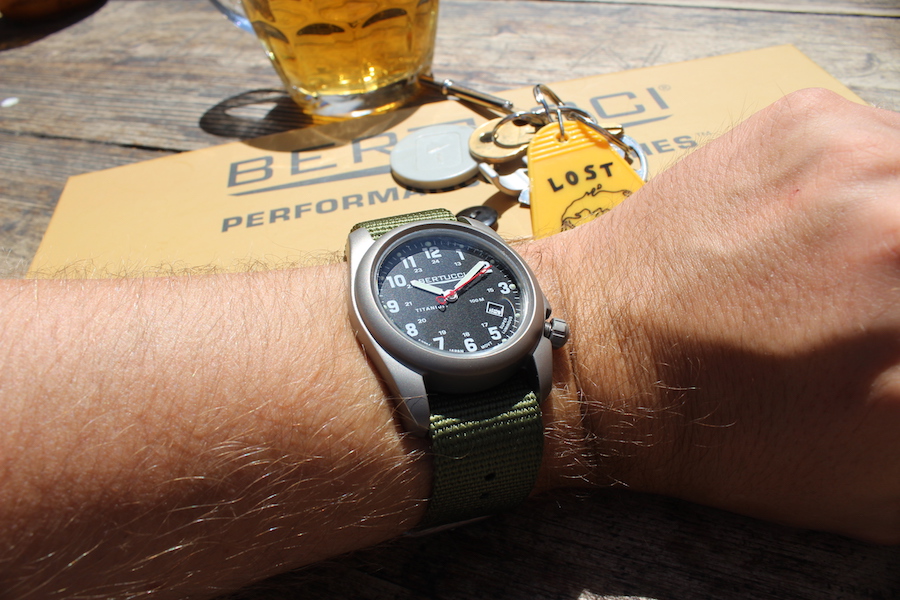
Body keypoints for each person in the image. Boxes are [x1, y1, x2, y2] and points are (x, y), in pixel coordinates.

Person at [0, 88, 897, 599]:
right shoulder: (415, 306)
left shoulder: (491, 297)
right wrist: (605, 325)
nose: (454, 289)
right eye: (449, 288)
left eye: (461, 284)